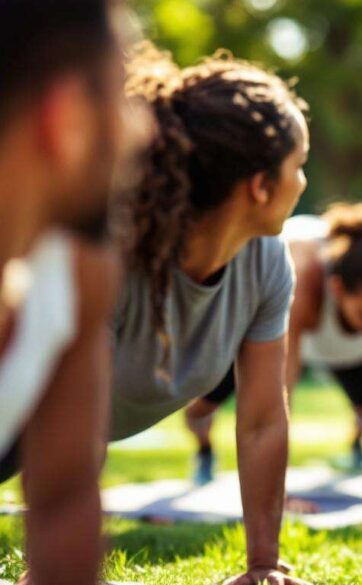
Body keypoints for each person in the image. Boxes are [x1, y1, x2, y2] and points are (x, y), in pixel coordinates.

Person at [113, 43, 310, 585]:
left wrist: (262, 565)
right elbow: (60, 411)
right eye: (300, 167)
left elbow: (263, 420)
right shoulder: (113, 248)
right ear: (260, 186)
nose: (304, 184)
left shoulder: (267, 261)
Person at [0, 1, 147, 583]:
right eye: (120, 95)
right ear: (65, 118)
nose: (144, 129)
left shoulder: (78, 273)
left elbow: (63, 501)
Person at [185, 202, 362, 505]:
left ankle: (356, 439)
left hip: (346, 351)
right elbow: (278, 393)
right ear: (338, 289)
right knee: (198, 410)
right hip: (262, 333)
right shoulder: (303, 276)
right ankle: (204, 450)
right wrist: (278, 496)